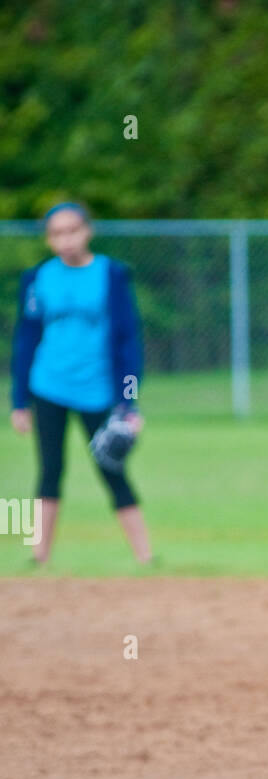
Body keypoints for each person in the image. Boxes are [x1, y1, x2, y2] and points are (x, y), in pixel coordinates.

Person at [9, 201, 151, 564]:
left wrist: (128, 402)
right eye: (57, 233)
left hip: (98, 389)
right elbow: (26, 340)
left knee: (112, 467)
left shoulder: (112, 274)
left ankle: (145, 558)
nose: (66, 240)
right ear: (48, 239)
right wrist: (19, 401)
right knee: (50, 470)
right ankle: (39, 557)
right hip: (49, 386)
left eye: (72, 230)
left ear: (87, 231)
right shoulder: (38, 278)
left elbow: (127, 341)